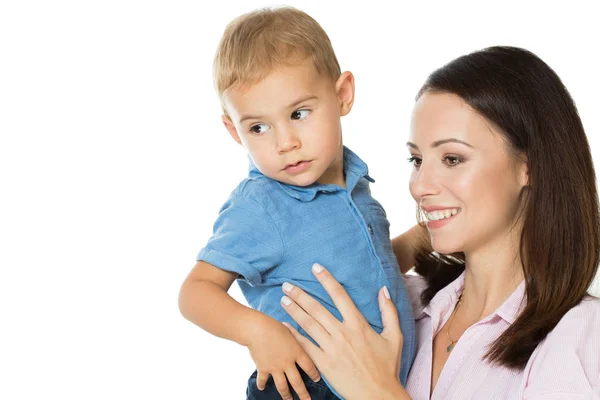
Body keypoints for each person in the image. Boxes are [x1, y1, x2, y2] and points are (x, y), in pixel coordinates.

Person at [279, 46, 600, 399]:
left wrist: (379, 393)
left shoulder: (580, 336)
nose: (419, 186)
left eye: (452, 158)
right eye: (416, 159)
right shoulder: (403, 306)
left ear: (530, 166)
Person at [177, 6, 417, 400]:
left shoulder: (357, 188)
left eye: (299, 113)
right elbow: (195, 292)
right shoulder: (263, 204)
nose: (284, 142)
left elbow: (365, 270)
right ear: (233, 131)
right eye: (258, 127)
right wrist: (259, 331)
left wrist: (426, 239)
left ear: (342, 95)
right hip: (305, 386)